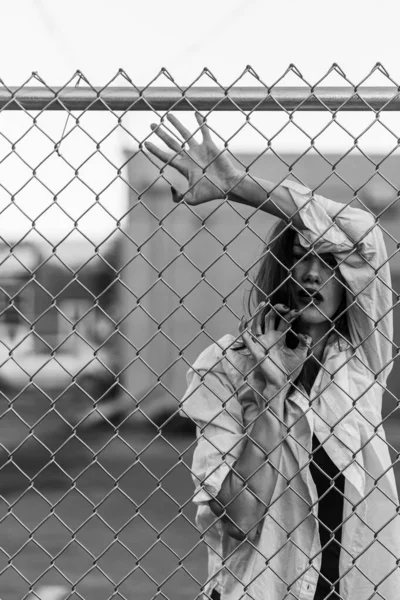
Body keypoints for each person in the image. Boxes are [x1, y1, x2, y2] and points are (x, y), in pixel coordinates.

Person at [145, 114, 400, 600]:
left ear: (349, 283)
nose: (310, 274)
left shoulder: (361, 360)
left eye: (328, 262)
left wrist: (235, 184)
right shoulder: (224, 367)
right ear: (280, 269)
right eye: (299, 257)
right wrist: (269, 394)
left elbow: (362, 232)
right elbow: (240, 518)